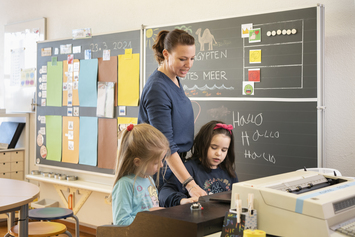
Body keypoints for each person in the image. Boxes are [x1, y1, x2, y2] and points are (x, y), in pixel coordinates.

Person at [138, 29, 206, 197]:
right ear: (166, 54)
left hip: (175, 164)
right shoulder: (157, 88)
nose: (188, 64)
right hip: (160, 167)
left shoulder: (174, 78)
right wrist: (190, 185)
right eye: (182, 59)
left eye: (192, 59)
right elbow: (165, 145)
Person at [159, 121, 239, 207]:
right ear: (203, 144)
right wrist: (182, 200)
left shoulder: (229, 172)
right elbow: (164, 194)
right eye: (214, 147)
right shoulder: (188, 169)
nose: (219, 153)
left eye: (224, 150)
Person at [111, 123, 170, 226]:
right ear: (138, 162)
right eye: (156, 162)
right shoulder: (124, 185)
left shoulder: (149, 180)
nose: (161, 165)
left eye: (162, 160)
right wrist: (150, 215)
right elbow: (121, 223)